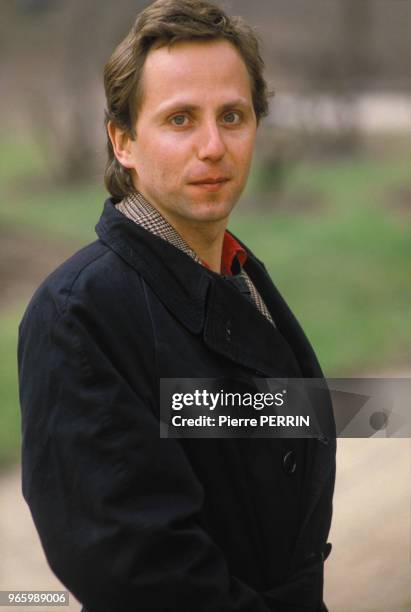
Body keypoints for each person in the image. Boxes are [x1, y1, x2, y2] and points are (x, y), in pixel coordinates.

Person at [17, 1, 336, 610]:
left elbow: (250, 432)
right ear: (124, 141)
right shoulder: (78, 315)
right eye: (181, 119)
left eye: (233, 116)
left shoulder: (238, 275)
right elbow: (138, 573)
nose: (213, 146)